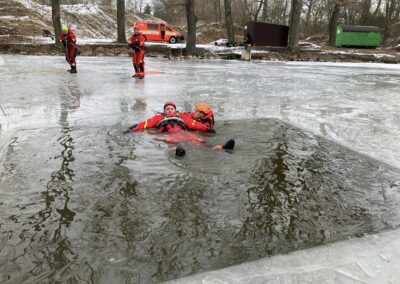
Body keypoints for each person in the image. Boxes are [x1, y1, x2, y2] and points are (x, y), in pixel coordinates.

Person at [125, 101, 234, 156]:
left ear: (175, 110)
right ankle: (178, 153)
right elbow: (145, 124)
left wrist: (206, 129)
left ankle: (220, 147)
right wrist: (132, 128)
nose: (170, 110)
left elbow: (192, 124)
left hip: (183, 132)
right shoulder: (158, 117)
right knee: (171, 142)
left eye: (172, 108)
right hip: (168, 134)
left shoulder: (181, 116)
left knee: (198, 140)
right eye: (167, 109)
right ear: (164, 111)